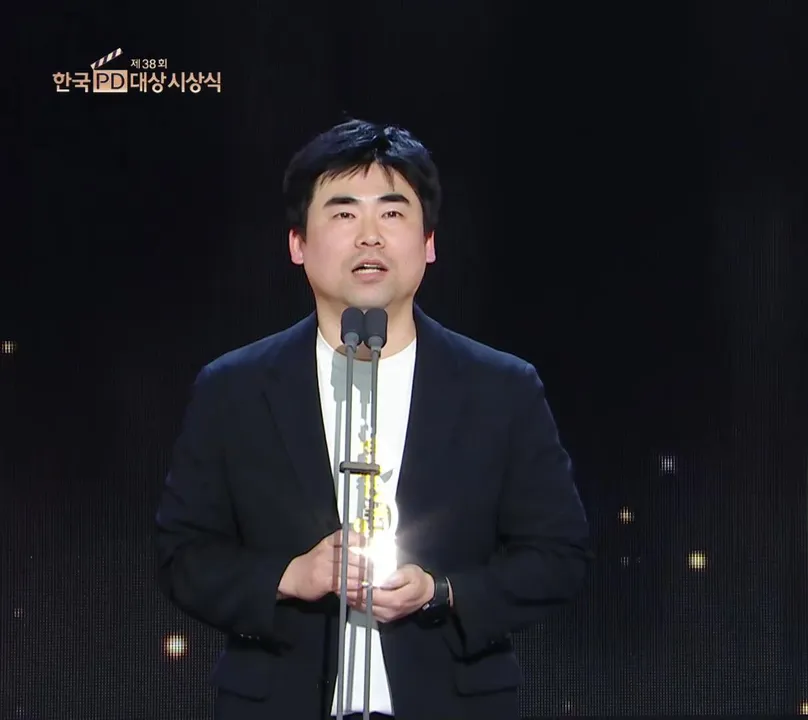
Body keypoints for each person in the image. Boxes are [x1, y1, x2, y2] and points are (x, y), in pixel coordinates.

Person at [154, 119, 591, 720]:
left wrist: (441, 592)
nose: (370, 236)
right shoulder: (234, 388)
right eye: (343, 213)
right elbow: (182, 556)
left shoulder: (501, 388)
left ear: (428, 242)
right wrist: (290, 576)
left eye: (391, 213)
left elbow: (560, 557)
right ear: (297, 244)